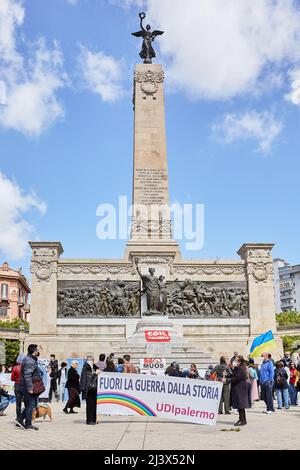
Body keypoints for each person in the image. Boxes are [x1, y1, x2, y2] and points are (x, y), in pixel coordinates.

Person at [19, 344, 44, 430]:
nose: (38, 352)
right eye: (37, 350)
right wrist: (30, 388)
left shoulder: (31, 359)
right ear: (34, 352)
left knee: (30, 405)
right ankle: (28, 424)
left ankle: (20, 420)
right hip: (29, 387)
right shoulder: (29, 361)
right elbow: (27, 376)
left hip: (30, 386)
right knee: (31, 405)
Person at [222, 355, 248, 426]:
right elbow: (234, 375)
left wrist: (227, 380)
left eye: (236, 360)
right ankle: (241, 419)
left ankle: (242, 420)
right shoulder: (238, 368)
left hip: (240, 389)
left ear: (240, 362)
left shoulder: (241, 369)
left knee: (241, 405)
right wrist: (227, 375)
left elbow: (236, 378)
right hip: (237, 388)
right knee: (239, 405)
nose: (234, 361)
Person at [80, 356, 99, 425]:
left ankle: (94, 419)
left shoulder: (95, 367)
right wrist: (82, 389)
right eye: (89, 360)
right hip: (88, 389)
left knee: (94, 405)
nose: (91, 361)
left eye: (92, 360)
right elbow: (83, 378)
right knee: (89, 405)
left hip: (95, 389)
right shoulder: (85, 367)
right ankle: (89, 420)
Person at [11, 353, 25, 424]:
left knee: (18, 404)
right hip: (24, 386)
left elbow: (12, 378)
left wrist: (17, 379)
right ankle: (24, 417)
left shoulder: (15, 367)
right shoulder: (26, 367)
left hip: (17, 386)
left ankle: (18, 418)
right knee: (27, 403)